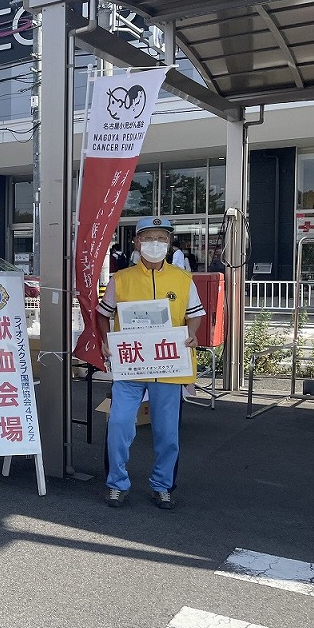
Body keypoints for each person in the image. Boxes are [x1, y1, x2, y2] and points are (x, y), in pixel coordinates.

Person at [96, 216, 204, 511]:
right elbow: (103, 313)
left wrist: (192, 334)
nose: (155, 244)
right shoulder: (122, 279)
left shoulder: (182, 279)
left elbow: (195, 313)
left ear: (169, 243)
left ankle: (163, 485)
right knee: (119, 424)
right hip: (131, 365)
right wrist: (106, 340)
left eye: (162, 238)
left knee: (167, 433)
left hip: (169, 367)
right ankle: (116, 483)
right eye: (149, 238)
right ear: (137, 242)